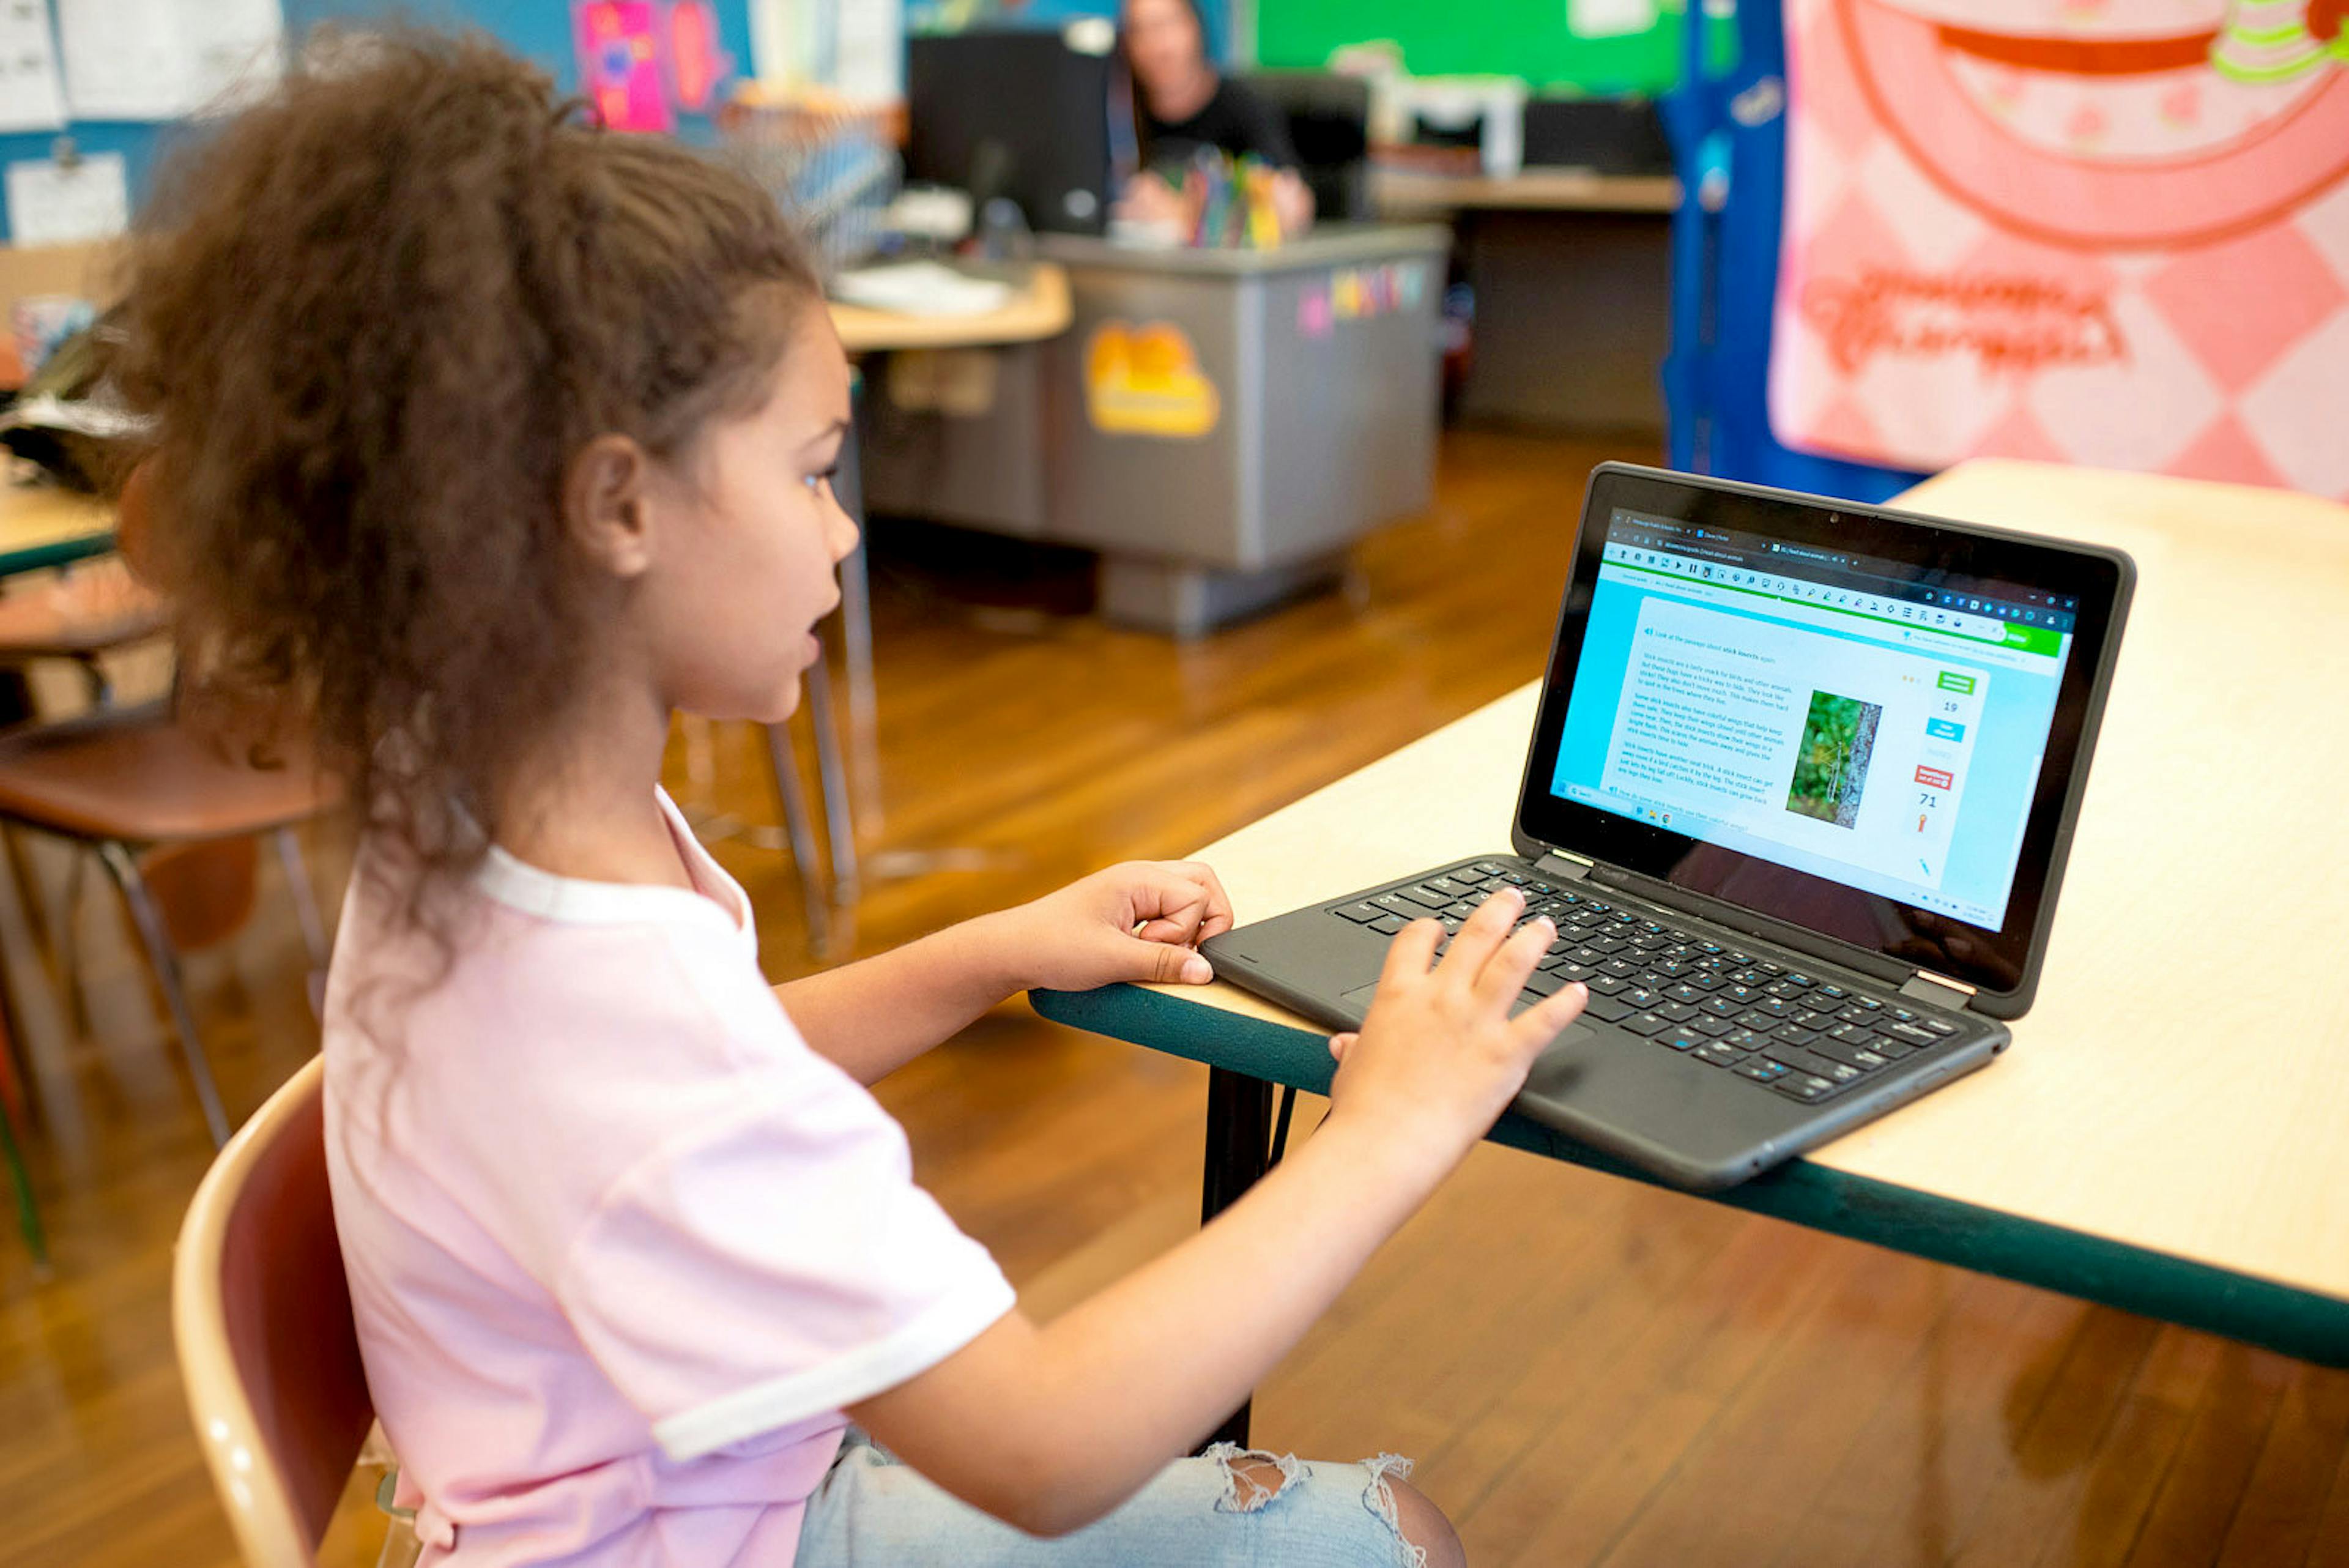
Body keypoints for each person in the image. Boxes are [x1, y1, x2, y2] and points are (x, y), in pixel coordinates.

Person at [115, 31, 1587, 1567]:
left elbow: (703, 1076)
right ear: (616, 504)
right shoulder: (614, 1001)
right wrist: (1389, 1128)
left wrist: (987, 952)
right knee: (1393, 1536)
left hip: (633, 1494)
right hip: (722, 1534)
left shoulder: (472, 823)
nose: (839, 538)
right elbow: (1043, 1441)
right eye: (814, 471)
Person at [1119, 0, 1315, 236]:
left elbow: (1296, 205)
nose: (1155, 45)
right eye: (1139, 31)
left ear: (1196, 28)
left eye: (1165, 25)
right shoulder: (1119, 113)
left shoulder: (1244, 108)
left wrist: (1188, 214)